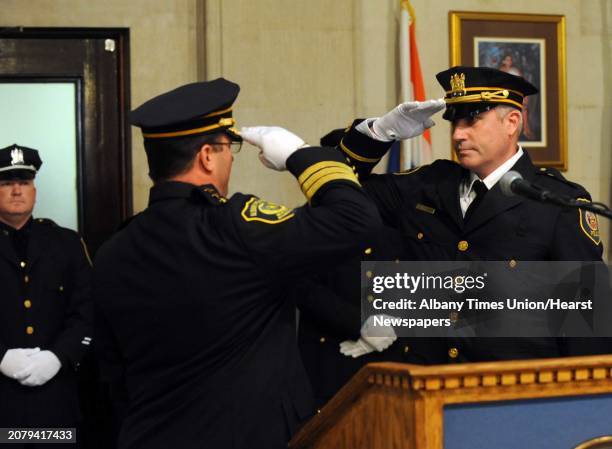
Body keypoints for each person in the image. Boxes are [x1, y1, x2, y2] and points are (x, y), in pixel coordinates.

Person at [92, 78, 439, 449]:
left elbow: (112, 372)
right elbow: (356, 219)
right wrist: (299, 154)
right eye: (230, 148)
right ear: (207, 156)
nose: (230, 158)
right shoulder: (235, 226)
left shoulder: (113, 249)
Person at [337, 66, 606, 362]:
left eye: (472, 120)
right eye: (454, 123)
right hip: (425, 387)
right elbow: (338, 190)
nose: (458, 134)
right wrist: (379, 133)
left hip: (513, 395)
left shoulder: (558, 203)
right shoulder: (429, 184)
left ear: (512, 122)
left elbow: (586, 327)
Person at [296, 129, 448, 409]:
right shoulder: (307, 222)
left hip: (391, 358)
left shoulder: (397, 221)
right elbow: (303, 288)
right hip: (333, 356)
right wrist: (360, 322)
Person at [0, 144, 92, 446]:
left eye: (24, 182)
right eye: (6, 183)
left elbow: (87, 310)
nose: (17, 191)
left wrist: (59, 356)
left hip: (56, 403)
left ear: (35, 191)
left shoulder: (65, 243)